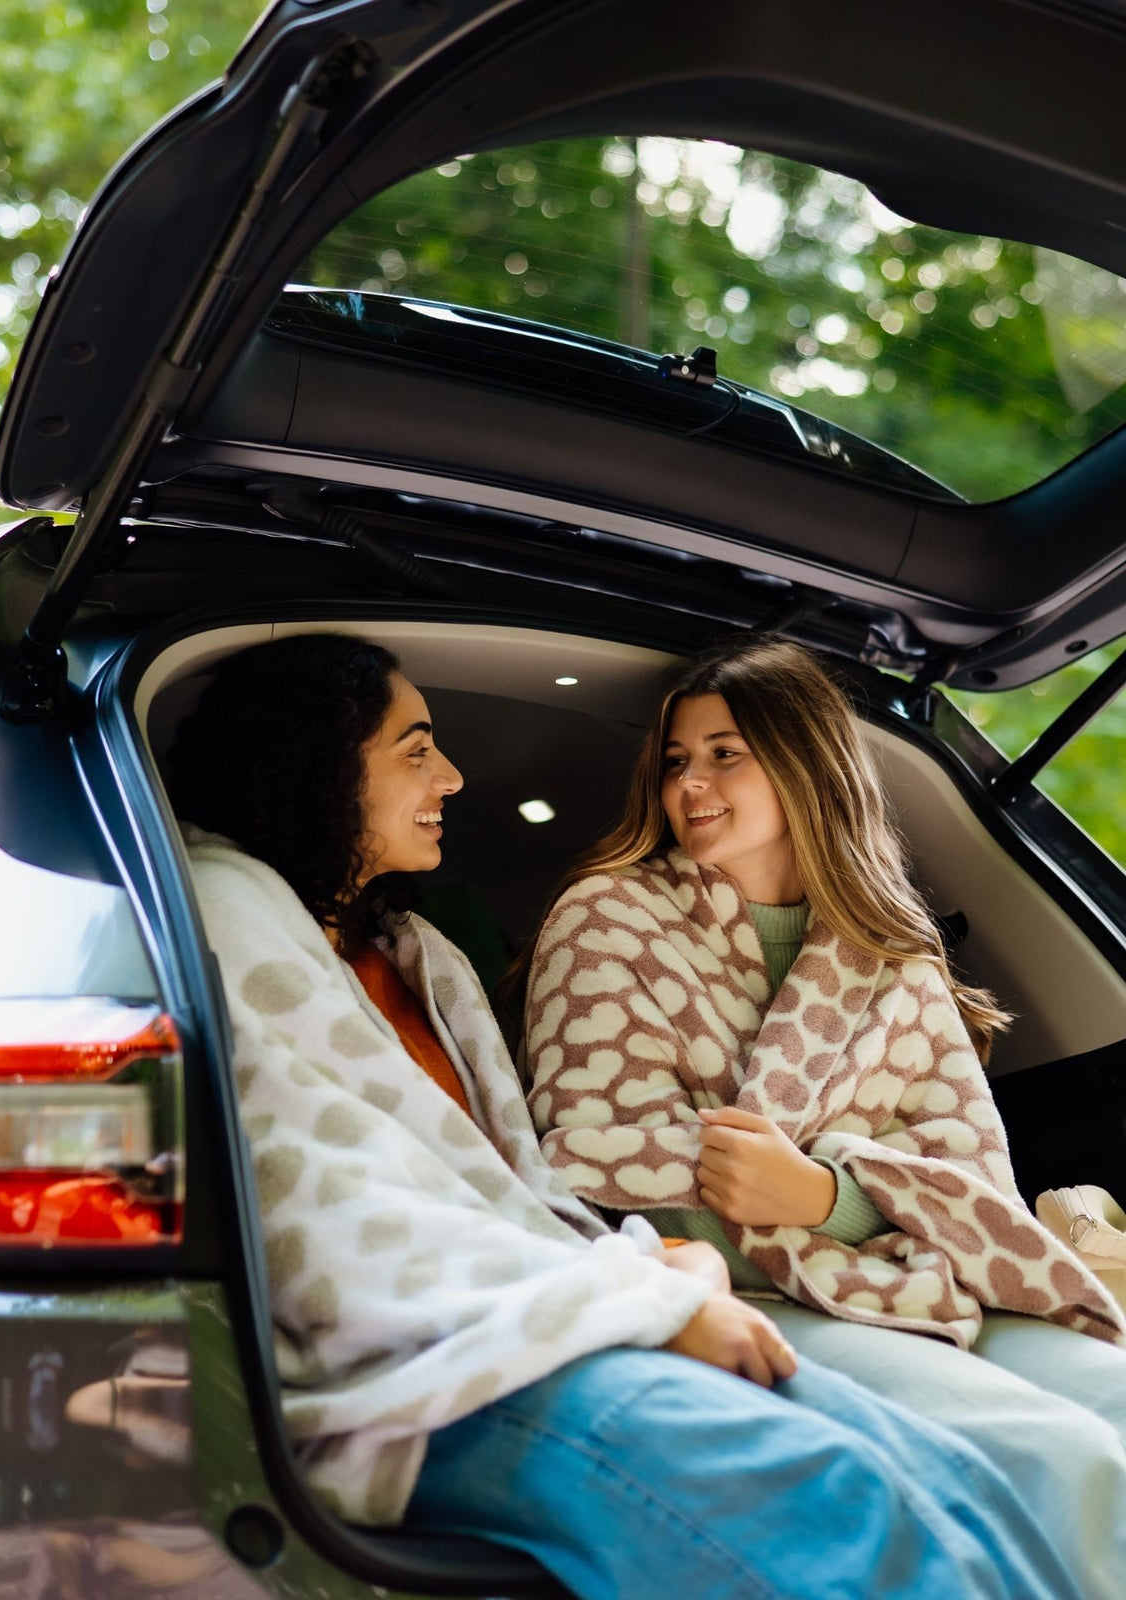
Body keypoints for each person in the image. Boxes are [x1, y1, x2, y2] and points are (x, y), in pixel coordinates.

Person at [167, 629, 1080, 1600]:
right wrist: (657, 1287)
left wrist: (776, 1214)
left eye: (726, 753)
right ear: (316, 762)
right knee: (846, 1491)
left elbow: (508, 1197)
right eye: (416, 746)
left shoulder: (420, 958)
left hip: (572, 1302)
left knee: (950, 1477)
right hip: (437, 1364)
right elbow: (339, 1212)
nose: (455, 774)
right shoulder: (227, 912)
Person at [523, 632, 1126, 1599]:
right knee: (1055, 1454)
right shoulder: (604, 921)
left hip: (920, 1281)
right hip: (740, 1297)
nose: (692, 782)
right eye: (676, 759)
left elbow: (977, 1184)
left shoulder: (895, 958)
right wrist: (822, 1196)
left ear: (807, 763)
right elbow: (586, 1158)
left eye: (727, 753)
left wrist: (826, 1195)